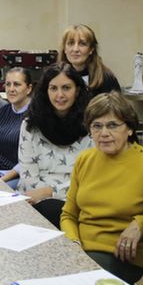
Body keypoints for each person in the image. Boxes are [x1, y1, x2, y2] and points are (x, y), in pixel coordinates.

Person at [61, 92, 143, 285]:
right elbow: (68, 215)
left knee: (80, 281)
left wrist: (142, 223)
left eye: (112, 125)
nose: (104, 133)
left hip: (122, 253)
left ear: (129, 129)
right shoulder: (85, 160)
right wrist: (73, 244)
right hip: (81, 248)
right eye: (97, 126)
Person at [17, 63, 93, 228]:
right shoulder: (30, 126)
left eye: (66, 88)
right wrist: (42, 195)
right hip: (35, 199)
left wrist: (51, 192)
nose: (60, 95)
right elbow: (28, 178)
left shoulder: (92, 126)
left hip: (78, 199)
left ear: (78, 90)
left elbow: (90, 179)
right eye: (53, 88)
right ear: (46, 91)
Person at [0, 67, 32, 189]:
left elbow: (30, 158)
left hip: (20, 176)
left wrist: (1, 180)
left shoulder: (36, 115)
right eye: (8, 84)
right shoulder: (3, 111)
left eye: (17, 84)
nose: (11, 89)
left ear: (29, 88)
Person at [58, 24, 121, 96]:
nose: (75, 49)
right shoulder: (55, 77)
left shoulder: (106, 79)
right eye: (71, 43)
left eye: (82, 44)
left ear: (91, 49)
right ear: (64, 49)